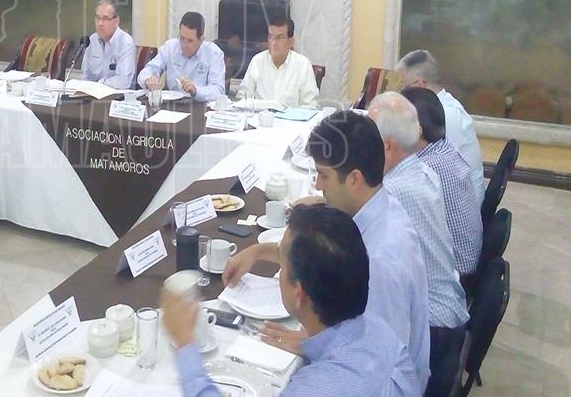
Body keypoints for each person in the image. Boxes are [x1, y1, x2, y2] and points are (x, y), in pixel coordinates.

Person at [224, 111, 431, 393]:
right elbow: (323, 255)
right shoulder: (381, 204)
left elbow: (376, 367)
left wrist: (312, 345)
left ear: (354, 179)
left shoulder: (381, 260)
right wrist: (259, 252)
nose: (318, 186)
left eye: (323, 176)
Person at [164, 203, 420, 397]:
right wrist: (314, 345)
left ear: (298, 293)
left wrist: (185, 343)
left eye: (283, 266)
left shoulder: (313, 389)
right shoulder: (380, 331)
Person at [367, 91, 469, 397]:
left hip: (433, 329)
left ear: (387, 146)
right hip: (448, 312)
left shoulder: (395, 190)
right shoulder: (420, 169)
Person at [402, 86, 482, 277]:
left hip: (456, 271)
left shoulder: (426, 169)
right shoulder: (444, 146)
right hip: (467, 256)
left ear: (417, 131)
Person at [397, 49, 485, 203]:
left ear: (419, 86)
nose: (400, 94)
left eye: (403, 88)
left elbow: (413, 166)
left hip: (461, 204)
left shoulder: (444, 115)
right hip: (461, 195)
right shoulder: (444, 103)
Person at [136, 12, 225, 102]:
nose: (184, 45)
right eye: (182, 38)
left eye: (190, 41)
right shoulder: (170, 47)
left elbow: (218, 91)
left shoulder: (214, 53)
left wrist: (196, 90)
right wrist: (148, 79)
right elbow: (148, 70)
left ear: (201, 40)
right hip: (172, 104)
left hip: (199, 104)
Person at [238, 16, 319, 108]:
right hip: (260, 116)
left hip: (290, 117)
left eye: (279, 37)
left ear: (291, 42)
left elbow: (311, 106)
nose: (274, 43)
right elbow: (243, 98)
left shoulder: (303, 65)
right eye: (271, 37)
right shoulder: (257, 61)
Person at [80, 0, 135, 88]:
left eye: (105, 19)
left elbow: (123, 82)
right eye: (98, 18)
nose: (100, 23)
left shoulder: (125, 42)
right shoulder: (92, 40)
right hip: (92, 93)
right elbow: (85, 76)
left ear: (116, 21)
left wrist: (99, 84)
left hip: (117, 95)